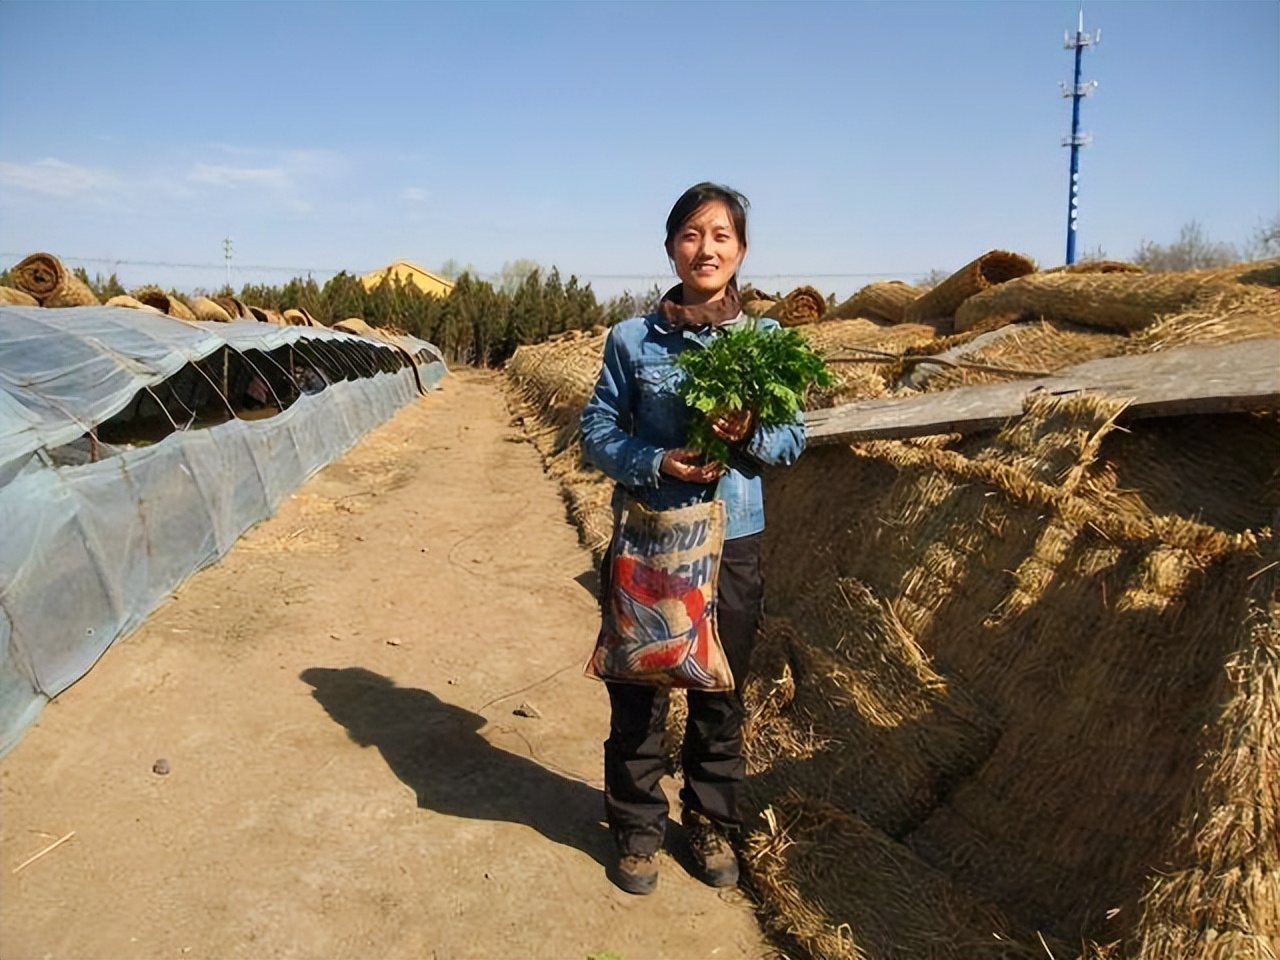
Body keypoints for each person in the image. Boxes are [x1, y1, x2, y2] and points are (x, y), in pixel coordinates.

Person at [580, 182, 806, 895]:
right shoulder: (630, 340)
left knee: (720, 693)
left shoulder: (766, 343)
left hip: (731, 538)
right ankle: (638, 827)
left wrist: (753, 434)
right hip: (650, 537)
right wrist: (653, 462)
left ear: (741, 251)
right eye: (691, 234)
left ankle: (709, 820)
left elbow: (795, 438)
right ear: (671, 245)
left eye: (721, 237)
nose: (705, 249)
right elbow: (597, 429)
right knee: (640, 686)